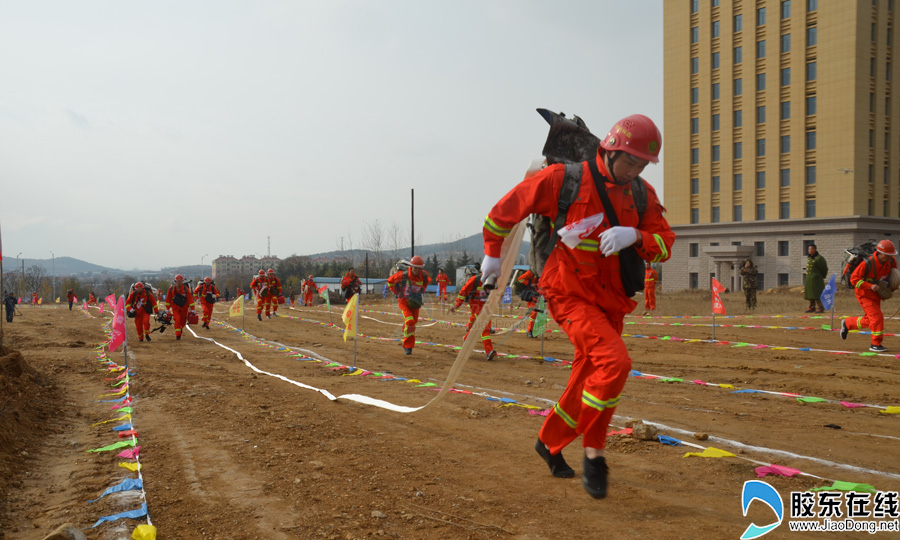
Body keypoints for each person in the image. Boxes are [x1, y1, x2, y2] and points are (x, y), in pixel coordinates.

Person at [480, 114, 674, 499]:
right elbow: (505, 210)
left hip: (612, 300)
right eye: (630, 161)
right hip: (568, 290)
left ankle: (549, 441)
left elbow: (666, 243)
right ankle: (594, 453)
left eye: (642, 165)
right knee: (614, 363)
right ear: (610, 149)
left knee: (589, 375)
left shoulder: (642, 194)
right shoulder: (563, 180)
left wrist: (636, 235)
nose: (634, 170)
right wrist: (491, 254)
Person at [840, 240, 898, 352]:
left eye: (891, 255)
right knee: (877, 317)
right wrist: (869, 286)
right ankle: (876, 344)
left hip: (877, 293)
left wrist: (893, 285)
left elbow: (893, 274)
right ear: (880, 253)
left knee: (871, 319)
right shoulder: (867, 263)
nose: (889, 257)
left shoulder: (891, 261)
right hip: (864, 294)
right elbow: (854, 279)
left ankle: (847, 323)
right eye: (887, 255)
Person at [387, 256, 431, 355]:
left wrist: (421, 293)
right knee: (410, 320)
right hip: (404, 301)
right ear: (411, 266)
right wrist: (397, 293)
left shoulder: (424, 275)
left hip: (415, 302)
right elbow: (390, 282)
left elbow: (425, 283)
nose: (417, 270)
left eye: (419, 268)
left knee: (412, 324)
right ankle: (408, 346)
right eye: (415, 267)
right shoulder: (402, 275)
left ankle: (406, 332)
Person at [452, 263, 498, 359]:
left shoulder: (493, 281)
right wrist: (457, 305)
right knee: (485, 326)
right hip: (476, 306)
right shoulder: (475, 280)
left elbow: (496, 293)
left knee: (478, 327)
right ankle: (489, 351)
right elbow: (463, 292)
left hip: (486, 307)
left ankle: (466, 338)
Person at [166, 274, 195, 340]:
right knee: (177, 320)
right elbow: (168, 299)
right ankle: (178, 335)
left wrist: (192, 309)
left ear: (182, 282)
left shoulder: (186, 289)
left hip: (184, 309)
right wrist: (167, 309)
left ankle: (180, 328)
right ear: (175, 281)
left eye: (180, 282)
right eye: (177, 282)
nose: (179, 283)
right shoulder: (171, 289)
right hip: (175, 308)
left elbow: (190, 299)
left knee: (183, 322)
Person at [516, 269, 541, 338]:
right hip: (531, 294)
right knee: (534, 313)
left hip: (538, 294)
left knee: (535, 314)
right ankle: (530, 331)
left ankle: (532, 330)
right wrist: (530, 284)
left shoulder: (542, 272)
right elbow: (520, 279)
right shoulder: (531, 272)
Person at [804, 244, 828, 313]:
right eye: (808, 249)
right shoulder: (810, 258)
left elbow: (824, 269)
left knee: (817, 294)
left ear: (814, 249)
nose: (809, 250)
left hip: (816, 279)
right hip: (810, 279)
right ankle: (812, 307)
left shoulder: (819, 258)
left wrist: (821, 276)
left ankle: (820, 308)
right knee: (811, 294)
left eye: (810, 249)